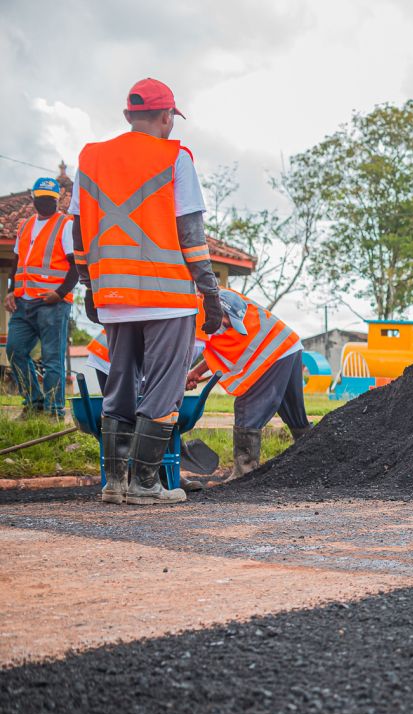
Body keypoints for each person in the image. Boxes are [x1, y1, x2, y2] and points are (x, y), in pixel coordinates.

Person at [71, 78, 224, 505]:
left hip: (114, 297)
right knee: (161, 388)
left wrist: (89, 285)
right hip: (168, 298)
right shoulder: (176, 157)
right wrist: (210, 295)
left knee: (119, 386)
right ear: (167, 117)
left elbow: (78, 230)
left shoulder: (90, 158)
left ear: (127, 115)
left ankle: (115, 484)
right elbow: (191, 235)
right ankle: (145, 484)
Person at [186, 289, 310, 479]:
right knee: (294, 414)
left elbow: (197, 348)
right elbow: (213, 345)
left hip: (275, 351)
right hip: (288, 344)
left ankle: (244, 473)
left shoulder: (213, 308)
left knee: (248, 406)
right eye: (225, 323)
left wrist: (178, 377)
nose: (226, 327)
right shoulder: (207, 306)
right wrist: (195, 372)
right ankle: (313, 459)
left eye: (228, 324)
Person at [7, 177, 76, 417]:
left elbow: (77, 266)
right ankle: (34, 403)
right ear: (33, 198)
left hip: (52, 304)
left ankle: (54, 411)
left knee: (52, 359)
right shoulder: (25, 225)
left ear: (57, 200)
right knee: (15, 351)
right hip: (23, 301)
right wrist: (10, 290)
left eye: (51, 199)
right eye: (42, 198)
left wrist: (60, 293)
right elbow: (17, 261)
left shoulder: (65, 225)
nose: (47, 203)